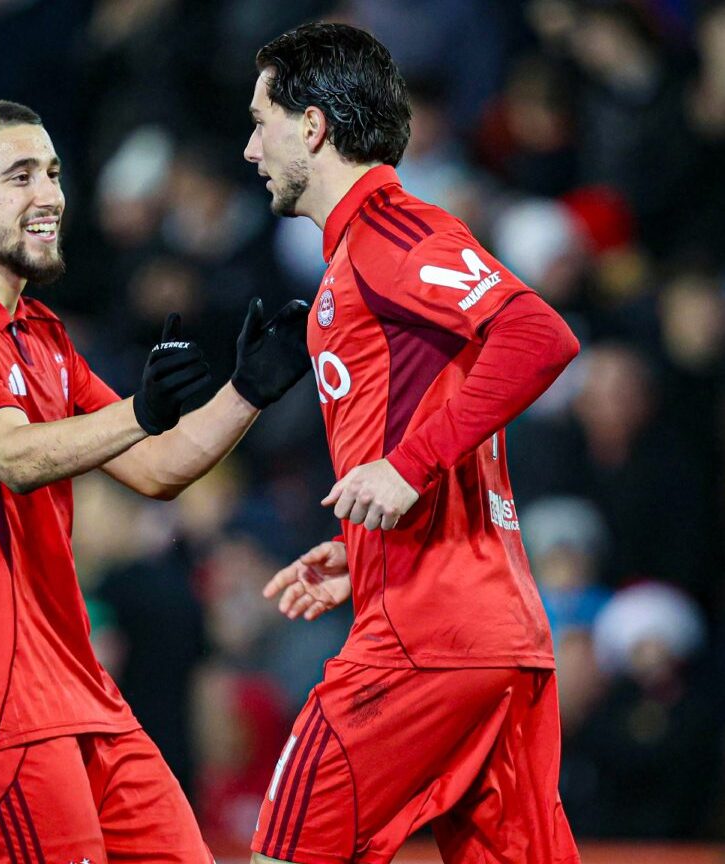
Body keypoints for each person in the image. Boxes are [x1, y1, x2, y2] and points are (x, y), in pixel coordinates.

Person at [0, 98, 311, 863]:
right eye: (20, 176)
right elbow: (11, 455)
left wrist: (249, 390)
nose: (50, 195)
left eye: (53, 172)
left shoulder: (42, 335)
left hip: (79, 690)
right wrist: (143, 409)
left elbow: (157, 467)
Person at [243, 23, 582, 864]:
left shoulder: (391, 234)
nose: (249, 148)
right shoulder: (362, 257)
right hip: (490, 637)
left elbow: (537, 336)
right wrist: (359, 550)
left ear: (312, 127)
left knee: (282, 856)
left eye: (260, 121)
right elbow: (443, 405)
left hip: (426, 641)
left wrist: (405, 466)